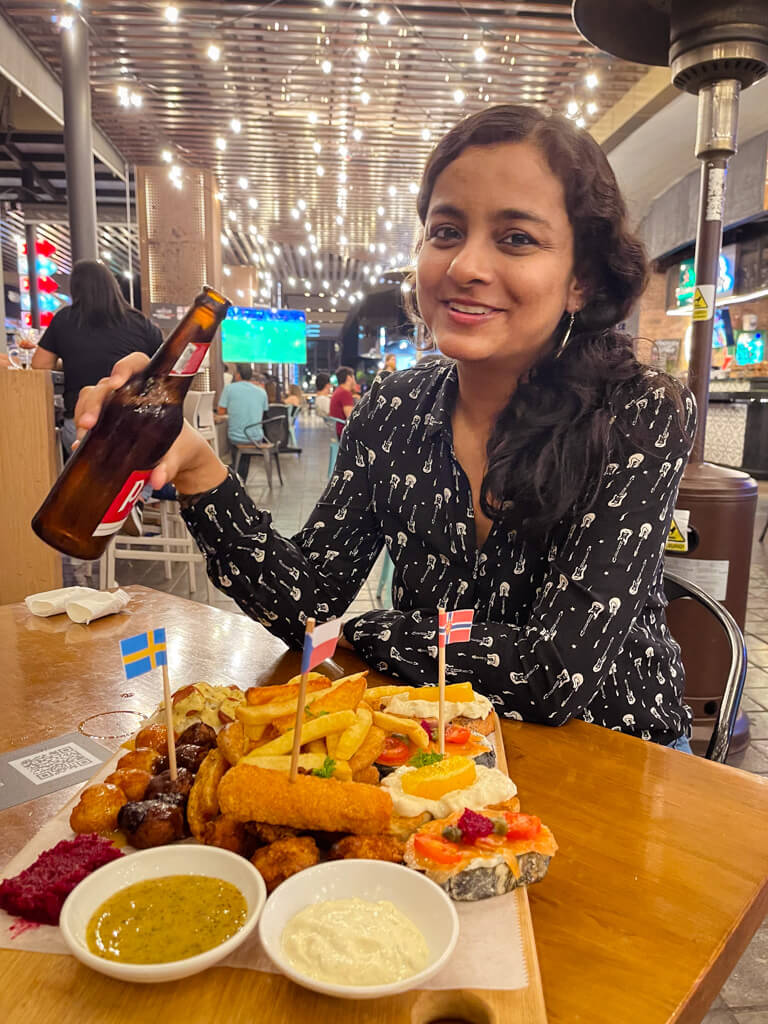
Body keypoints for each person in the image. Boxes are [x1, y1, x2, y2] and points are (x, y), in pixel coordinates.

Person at [76, 104, 695, 751]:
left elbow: (552, 673)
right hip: (438, 738)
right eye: (446, 231)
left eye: (516, 238)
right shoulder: (392, 409)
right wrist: (202, 470)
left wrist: (374, 632)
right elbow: (310, 599)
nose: (464, 267)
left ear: (581, 280)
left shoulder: (638, 412)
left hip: (615, 750)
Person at [32, 260, 162, 455]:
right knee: (136, 482)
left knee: (87, 481)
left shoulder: (64, 319)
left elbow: (40, 364)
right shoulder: (141, 323)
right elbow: (164, 368)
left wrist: (68, 361)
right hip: (133, 419)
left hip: (80, 420)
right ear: (114, 287)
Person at [216, 364, 269, 484]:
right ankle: (241, 478)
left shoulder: (229, 388)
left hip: (236, 437)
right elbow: (264, 411)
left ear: (238, 375)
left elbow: (221, 411)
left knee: (234, 440)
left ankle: (235, 477)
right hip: (256, 438)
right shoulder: (261, 391)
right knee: (245, 450)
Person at [329, 366, 358, 438]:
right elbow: (351, 417)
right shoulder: (345, 393)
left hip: (337, 431)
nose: (355, 381)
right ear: (349, 378)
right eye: (354, 377)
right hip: (344, 433)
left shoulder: (339, 391)